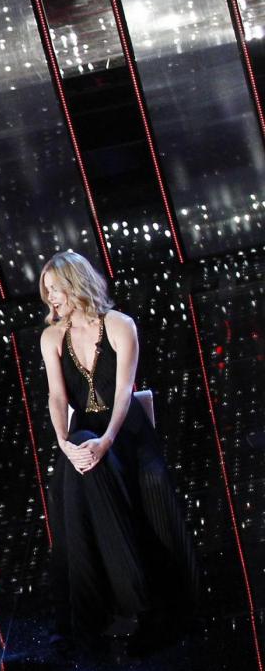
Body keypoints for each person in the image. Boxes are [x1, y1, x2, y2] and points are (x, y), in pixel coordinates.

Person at [38, 250, 197, 647]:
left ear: (76, 283)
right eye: (47, 291)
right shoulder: (51, 337)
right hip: (85, 433)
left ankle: (123, 604)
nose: (51, 298)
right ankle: (120, 603)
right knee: (77, 462)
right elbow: (57, 397)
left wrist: (107, 440)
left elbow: (125, 393)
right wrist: (63, 443)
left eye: (56, 289)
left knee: (105, 465)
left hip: (127, 433)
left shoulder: (120, 325)